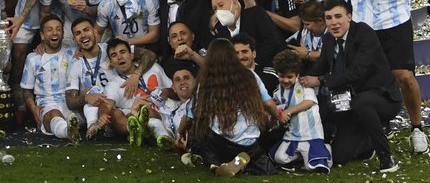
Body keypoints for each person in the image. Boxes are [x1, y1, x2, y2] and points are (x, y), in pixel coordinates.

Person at [306, 0, 430, 153]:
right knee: (365, 78)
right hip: (364, 22)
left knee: (404, 76)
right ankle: (374, 128)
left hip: (395, 19)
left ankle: (416, 128)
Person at [301, 0, 403, 172]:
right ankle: (366, 144)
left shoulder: (364, 32)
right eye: (329, 18)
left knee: (362, 102)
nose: (334, 22)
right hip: (349, 101)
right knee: (340, 156)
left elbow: (357, 71)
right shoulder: (328, 39)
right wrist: (298, 80)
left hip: (383, 97)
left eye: (338, 16)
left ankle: (386, 157)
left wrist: (322, 80)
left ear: (349, 16)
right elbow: (320, 67)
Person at [185, 38, 278, 176]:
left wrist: (181, 134)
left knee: (200, 135)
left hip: (219, 142)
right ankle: (244, 164)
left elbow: (191, 116)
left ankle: (216, 162)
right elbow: (269, 104)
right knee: (260, 158)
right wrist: (277, 117)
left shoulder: (206, 80)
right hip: (249, 143)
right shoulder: (250, 75)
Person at [65, 18, 158, 139]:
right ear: (74, 39)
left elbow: (150, 55)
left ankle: (135, 131)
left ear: (95, 31)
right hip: (101, 109)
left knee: (141, 110)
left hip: (125, 101)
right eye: (78, 33)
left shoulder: (111, 49)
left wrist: (136, 74)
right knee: (93, 94)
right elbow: (70, 102)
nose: (83, 35)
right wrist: (86, 98)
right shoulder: (75, 65)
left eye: (86, 30)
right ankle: (94, 126)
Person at [98, 38, 173, 147]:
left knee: (147, 113)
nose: (119, 57)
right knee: (125, 113)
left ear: (131, 55)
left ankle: (144, 134)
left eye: (122, 52)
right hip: (141, 117)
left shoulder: (154, 68)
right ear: (111, 63)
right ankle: (157, 137)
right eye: (114, 55)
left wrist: (167, 92)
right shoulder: (114, 84)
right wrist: (103, 115)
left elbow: (175, 91)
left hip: (166, 113)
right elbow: (107, 104)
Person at [269, 50, 331, 173]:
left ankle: (326, 149)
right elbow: (278, 109)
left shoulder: (304, 85)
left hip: (310, 133)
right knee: (279, 158)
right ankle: (301, 156)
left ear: (297, 74)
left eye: (289, 77)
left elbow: (309, 102)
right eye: (282, 76)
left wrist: (288, 111)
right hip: (292, 134)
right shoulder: (277, 92)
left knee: (312, 167)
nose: (285, 80)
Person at [21, 15, 79, 142]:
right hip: (47, 105)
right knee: (53, 114)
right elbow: (26, 90)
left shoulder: (74, 53)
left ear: (63, 34)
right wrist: (33, 108)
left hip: (72, 104)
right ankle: (68, 132)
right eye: (50, 29)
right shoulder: (33, 59)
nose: (55, 33)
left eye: (58, 29)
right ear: (42, 35)